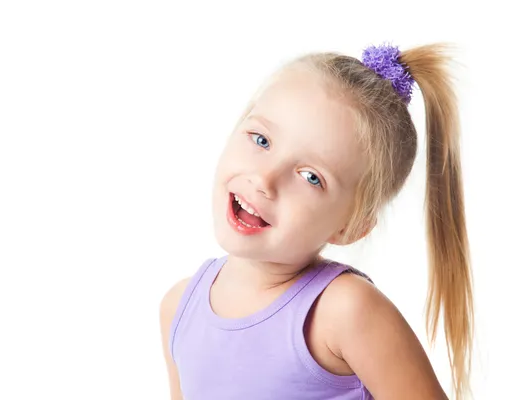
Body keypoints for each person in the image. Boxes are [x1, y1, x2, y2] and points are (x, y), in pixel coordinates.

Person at [159, 42, 474, 400]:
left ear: (350, 228)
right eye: (261, 140)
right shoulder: (178, 308)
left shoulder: (344, 311)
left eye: (311, 177)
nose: (265, 179)